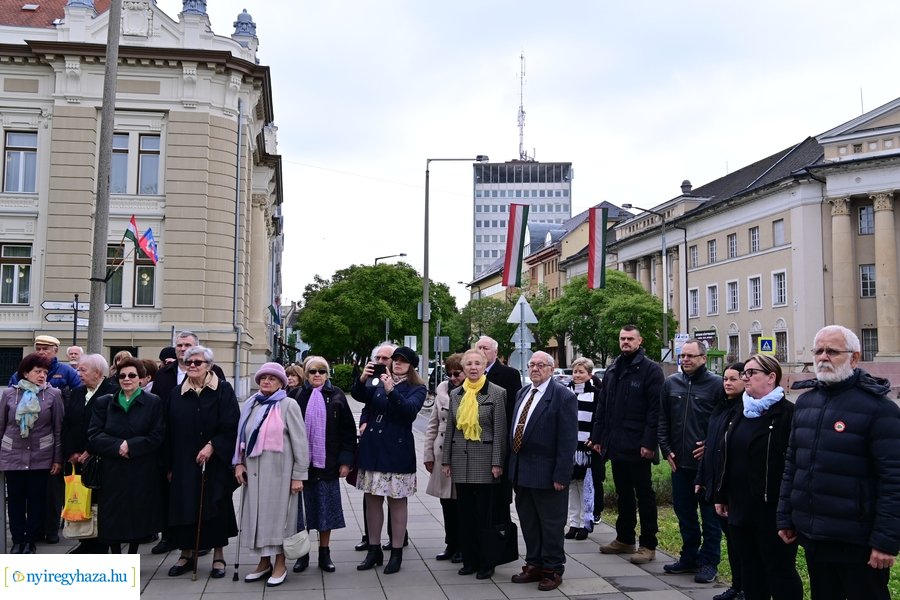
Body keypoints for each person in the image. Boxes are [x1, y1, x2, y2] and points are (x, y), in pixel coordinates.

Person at [777, 325, 900, 600]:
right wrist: (786, 516)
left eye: (832, 351)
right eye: (818, 351)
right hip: (815, 536)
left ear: (854, 358)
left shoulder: (880, 409)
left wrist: (885, 541)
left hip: (858, 541)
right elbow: (792, 465)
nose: (823, 357)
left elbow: (894, 479)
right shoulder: (806, 403)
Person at [712, 356, 800, 600]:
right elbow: (726, 454)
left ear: (772, 377)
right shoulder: (741, 411)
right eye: (745, 373)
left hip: (772, 509)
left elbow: (793, 464)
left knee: (779, 571)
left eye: (752, 372)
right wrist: (721, 493)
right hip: (740, 507)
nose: (745, 377)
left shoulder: (787, 414)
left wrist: (789, 510)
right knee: (750, 570)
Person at [590, 325, 663, 565]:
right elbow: (603, 406)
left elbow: (655, 410)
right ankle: (624, 538)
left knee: (644, 493)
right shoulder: (613, 369)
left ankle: (649, 544)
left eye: (630, 339)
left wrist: (649, 442)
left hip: (639, 444)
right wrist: (599, 437)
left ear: (640, 341)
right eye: (622, 338)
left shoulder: (651, 370)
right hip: (616, 442)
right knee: (623, 493)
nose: (626, 342)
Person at [165, 346, 239, 578]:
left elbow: (231, 424)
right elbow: (166, 430)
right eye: (189, 362)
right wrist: (168, 465)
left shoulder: (223, 390)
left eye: (198, 362)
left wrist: (212, 445)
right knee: (184, 507)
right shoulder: (176, 394)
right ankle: (186, 554)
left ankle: (218, 557)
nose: (193, 366)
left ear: (209, 366)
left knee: (215, 506)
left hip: (215, 462)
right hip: (183, 462)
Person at [352, 345, 427, 575]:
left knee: (397, 502)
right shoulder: (379, 378)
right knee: (372, 499)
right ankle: (373, 550)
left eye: (402, 361)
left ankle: (396, 552)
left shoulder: (417, 387)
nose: (397, 363)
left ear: (411, 365)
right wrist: (362, 377)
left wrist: (392, 391)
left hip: (397, 449)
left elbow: (409, 412)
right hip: (373, 447)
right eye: (395, 360)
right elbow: (360, 396)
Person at [233, 362, 309, 588]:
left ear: (281, 383)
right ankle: (263, 562)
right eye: (263, 377)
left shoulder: (288, 405)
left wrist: (298, 475)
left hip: (280, 473)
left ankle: (280, 563)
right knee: (257, 518)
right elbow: (242, 439)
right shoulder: (251, 404)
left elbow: (300, 443)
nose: (266, 381)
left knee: (279, 521)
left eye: (272, 378)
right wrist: (239, 464)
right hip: (254, 472)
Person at [508, 351, 577, 592]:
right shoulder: (523, 392)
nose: (535, 368)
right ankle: (534, 564)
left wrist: (561, 475)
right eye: (532, 365)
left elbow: (567, 440)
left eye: (541, 365)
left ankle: (552, 569)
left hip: (548, 474)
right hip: (521, 472)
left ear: (552, 368)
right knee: (529, 522)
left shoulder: (563, 396)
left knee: (551, 524)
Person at [150, 330, 224, 555]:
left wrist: (213, 444)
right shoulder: (165, 375)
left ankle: (206, 544)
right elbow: (160, 410)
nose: (183, 351)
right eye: (180, 346)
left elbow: (225, 416)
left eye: (188, 346)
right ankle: (175, 542)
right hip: (177, 448)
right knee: (176, 499)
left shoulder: (218, 378)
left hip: (207, 450)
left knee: (207, 501)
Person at [658, 338, 723, 583]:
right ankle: (689, 557)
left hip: (706, 467)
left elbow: (724, 422)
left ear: (703, 359)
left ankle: (709, 562)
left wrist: (710, 446)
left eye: (690, 356)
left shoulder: (717, 386)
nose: (685, 360)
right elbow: (662, 419)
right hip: (679, 463)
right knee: (684, 514)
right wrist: (665, 449)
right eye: (682, 356)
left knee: (710, 518)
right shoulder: (671, 384)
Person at [87, 357, 166, 554]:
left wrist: (131, 445)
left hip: (141, 468)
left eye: (132, 375)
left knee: (137, 514)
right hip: (112, 469)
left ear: (141, 379)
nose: (127, 379)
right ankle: (115, 556)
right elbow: (94, 434)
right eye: (122, 375)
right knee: (112, 514)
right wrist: (117, 445)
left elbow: (157, 436)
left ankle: (132, 554)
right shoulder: (104, 402)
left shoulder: (153, 402)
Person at [443, 348, 508, 580]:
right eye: (467, 364)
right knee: (465, 516)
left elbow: (500, 431)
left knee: (484, 517)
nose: (472, 367)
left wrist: (497, 462)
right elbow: (450, 428)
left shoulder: (497, 393)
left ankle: (486, 562)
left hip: (486, 463)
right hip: (461, 461)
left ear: (484, 366)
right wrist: (446, 460)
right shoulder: (456, 394)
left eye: (476, 364)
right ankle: (469, 561)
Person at [9, 334, 81, 544]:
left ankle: (50, 529)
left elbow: (76, 399)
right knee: (25, 494)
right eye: (38, 348)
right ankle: (28, 532)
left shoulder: (66, 371)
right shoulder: (18, 375)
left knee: (51, 491)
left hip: (51, 438)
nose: (41, 352)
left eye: (46, 348)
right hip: (22, 443)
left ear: (56, 351)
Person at [290, 356, 356, 573]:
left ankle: (324, 553)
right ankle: (302, 554)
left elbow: (348, 430)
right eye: (312, 371)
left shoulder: (336, 395)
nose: (317, 374)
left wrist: (346, 461)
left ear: (328, 374)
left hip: (327, 463)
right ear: (306, 375)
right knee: (302, 513)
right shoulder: (297, 395)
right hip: (301, 466)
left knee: (325, 511)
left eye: (322, 371)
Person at [0, 352, 64, 554]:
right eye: (38, 371)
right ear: (26, 373)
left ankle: (31, 539)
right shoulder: (10, 394)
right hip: (13, 455)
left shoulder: (53, 394)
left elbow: (58, 429)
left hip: (41, 456)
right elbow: (1, 425)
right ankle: (18, 539)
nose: (42, 375)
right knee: (16, 501)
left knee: (37, 501)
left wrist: (57, 458)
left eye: (45, 372)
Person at [696, 362, 745, 600]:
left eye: (733, 378)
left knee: (742, 543)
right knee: (732, 542)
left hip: (736, 487)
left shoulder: (746, 410)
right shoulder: (721, 408)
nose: (728, 383)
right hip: (717, 485)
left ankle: (747, 588)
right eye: (725, 378)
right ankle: (737, 585)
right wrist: (702, 478)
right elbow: (711, 447)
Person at [63, 353, 118, 553]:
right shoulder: (77, 393)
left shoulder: (112, 392)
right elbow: (67, 424)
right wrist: (71, 452)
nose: (78, 373)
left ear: (97, 372)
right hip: (76, 458)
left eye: (82, 370)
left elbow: (109, 426)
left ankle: (100, 543)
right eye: (78, 369)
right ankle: (85, 540)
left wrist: (89, 450)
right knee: (81, 500)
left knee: (99, 501)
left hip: (99, 458)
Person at [424, 353, 464, 564]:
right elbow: (432, 425)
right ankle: (451, 543)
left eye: (457, 373)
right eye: (449, 374)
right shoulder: (442, 391)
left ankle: (463, 545)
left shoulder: (471, 392)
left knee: (461, 504)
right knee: (446, 502)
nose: (453, 377)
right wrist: (428, 454)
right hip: (441, 454)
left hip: (462, 456)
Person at [565, 357, 600, 540]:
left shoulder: (596, 393)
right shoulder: (566, 392)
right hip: (569, 446)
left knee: (586, 485)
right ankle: (573, 523)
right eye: (575, 372)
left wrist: (595, 438)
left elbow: (599, 419)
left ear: (589, 374)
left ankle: (586, 522)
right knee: (571, 485)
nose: (577, 375)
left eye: (581, 372)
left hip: (587, 447)